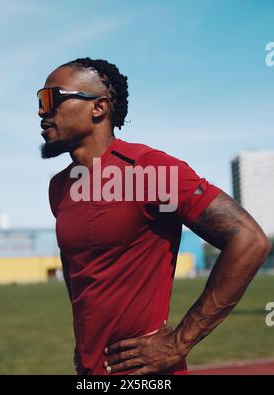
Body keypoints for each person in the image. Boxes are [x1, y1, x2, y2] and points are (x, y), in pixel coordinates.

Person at [38, 57, 271, 375]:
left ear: (99, 107)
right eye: (40, 101)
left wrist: (178, 343)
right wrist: (85, 346)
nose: (41, 111)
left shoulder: (150, 170)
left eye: (50, 98)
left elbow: (249, 240)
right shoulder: (60, 187)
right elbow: (75, 262)